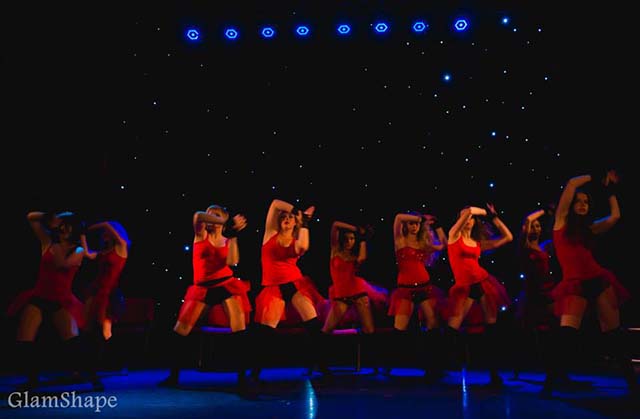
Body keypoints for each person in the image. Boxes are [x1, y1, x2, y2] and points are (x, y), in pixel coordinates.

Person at [543, 171, 636, 395]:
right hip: (574, 284)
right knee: (566, 334)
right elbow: (572, 183)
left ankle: (633, 385)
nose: (583, 204)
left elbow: (615, 217)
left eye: (586, 202)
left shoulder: (590, 229)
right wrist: (598, 176)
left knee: (614, 334)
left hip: (598, 280)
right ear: (570, 204)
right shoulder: (561, 223)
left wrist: (609, 190)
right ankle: (549, 385)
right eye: (579, 201)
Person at [159, 204, 250, 387]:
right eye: (210, 214)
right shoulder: (200, 234)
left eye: (215, 215)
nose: (210, 217)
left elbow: (233, 261)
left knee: (239, 328)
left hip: (225, 284)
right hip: (202, 288)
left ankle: (242, 379)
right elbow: (198, 216)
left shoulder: (227, 238)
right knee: (181, 330)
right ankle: (173, 377)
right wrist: (224, 222)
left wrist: (232, 235)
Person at [7, 211, 96, 390]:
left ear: (73, 229)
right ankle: (32, 381)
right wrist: (51, 217)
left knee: (73, 343)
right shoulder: (48, 243)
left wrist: (56, 238)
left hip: (60, 300)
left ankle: (93, 378)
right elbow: (31, 217)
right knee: (25, 339)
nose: (63, 229)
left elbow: (62, 264)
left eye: (67, 226)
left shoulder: (77, 250)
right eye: (62, 225)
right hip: (39, 296)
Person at [251, 199, 326, 380]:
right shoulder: (270, 234)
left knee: (313, 324)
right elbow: (275, 204)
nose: (286, 218)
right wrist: (296, 210)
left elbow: (303, 247)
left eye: (290, 217)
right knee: (266, 331)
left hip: (295, 283)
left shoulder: (297, 240)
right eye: (284, 216)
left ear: (296, 223)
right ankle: (254, 371)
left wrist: (304, 222)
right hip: (273, 287)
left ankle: (322, 365)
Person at [446, 203, 513, 388]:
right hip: (464, 287)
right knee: (452, 328)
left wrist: (494, 217)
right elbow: (468, 211)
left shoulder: (477, 243)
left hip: (482, 283)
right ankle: (441, 366)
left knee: (491, 328)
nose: (468, 219)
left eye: (471, 218)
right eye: (464, 217)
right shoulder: (453, 236)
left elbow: (508, 237)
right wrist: (483, 212)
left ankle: (494, 372)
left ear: (475, 221)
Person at [386, 211, 447, 381]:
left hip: (425, 288)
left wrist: (438, 226)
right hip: (405, 290)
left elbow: (444, 245)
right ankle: (387, 365)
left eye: (417, 224)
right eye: (411, 223)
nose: (414, 226)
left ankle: (433, 366)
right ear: (406, 225)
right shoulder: (400, 240)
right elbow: (398, 217)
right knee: (399, 329)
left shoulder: (423, 243)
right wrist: (421, 218)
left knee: (433, 327)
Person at [82, 221, 129, 341]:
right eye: (104, 233)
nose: (104, 235)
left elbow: (106, 225)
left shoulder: (121, 246)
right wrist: (82, 235)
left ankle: (106, 351)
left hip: (108, 293)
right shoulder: (103, 251)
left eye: (107, 233)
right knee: (87, 326)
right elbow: (87, 254)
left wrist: (90, 228)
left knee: (104, 329)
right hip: (95, 289)